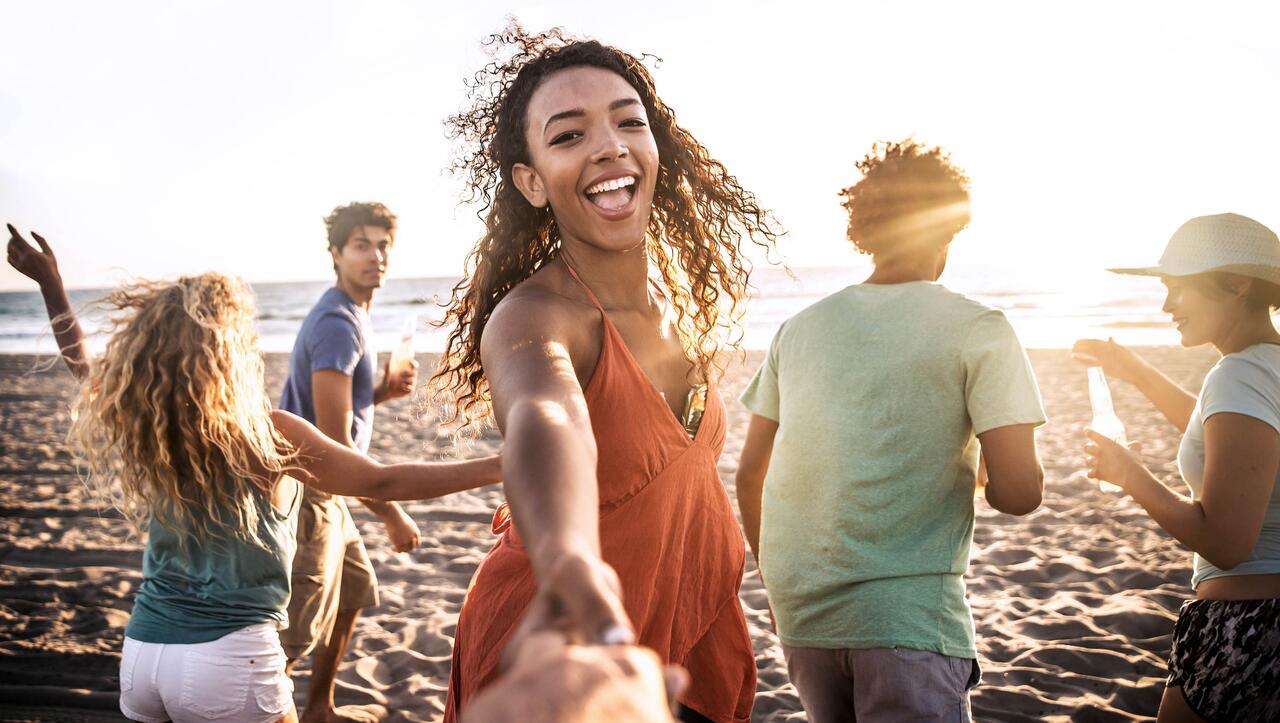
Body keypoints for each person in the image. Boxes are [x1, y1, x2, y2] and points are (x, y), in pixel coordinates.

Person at [6, 224, 502, 723]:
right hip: (229, 661)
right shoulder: (271, 434)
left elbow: (84, 368)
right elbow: (382, 481)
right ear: (232, 352)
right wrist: (502, 463)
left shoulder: (154, 425)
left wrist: (52, 285)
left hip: (142, 653)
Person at [431, 23, 780, 723]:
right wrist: (565, 558)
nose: (609, 145)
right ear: (531, 182)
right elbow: (545, 416)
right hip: (567, 643)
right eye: (568, 135)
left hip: (691, 638)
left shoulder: (678, 307)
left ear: (655, 148)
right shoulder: (533, 316)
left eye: (628, 123)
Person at [734, 140, 1046, 722]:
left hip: (804, 617)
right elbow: (1021, 494)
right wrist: (983, 470)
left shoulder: (797, 330)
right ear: (950, 227)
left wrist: (775, 583)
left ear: (865, 229)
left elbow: (750, 472)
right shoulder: (981, 328)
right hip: (909, 621)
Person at [1077, 212, 1280, 722]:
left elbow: (1227, 544)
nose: (1166, 305)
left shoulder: (1239, 374)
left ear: (1235, 285)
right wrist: (1138, 373)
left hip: (1248, 631)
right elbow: (1230, 440)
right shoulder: (1264, 369)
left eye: (1177, 288)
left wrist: (1130, 476)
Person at [275, 202, 418, 723]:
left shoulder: (355, 313)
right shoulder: (338, 323)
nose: (375, 256)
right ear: (335, 254)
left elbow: (330, 409)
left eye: (383, 246)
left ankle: (318, 709)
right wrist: (390, 513)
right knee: (293, 630)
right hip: (308, 490)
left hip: (328, 485)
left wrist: (379, 394)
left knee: (354, 589)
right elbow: (335, 445)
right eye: (361, 245)